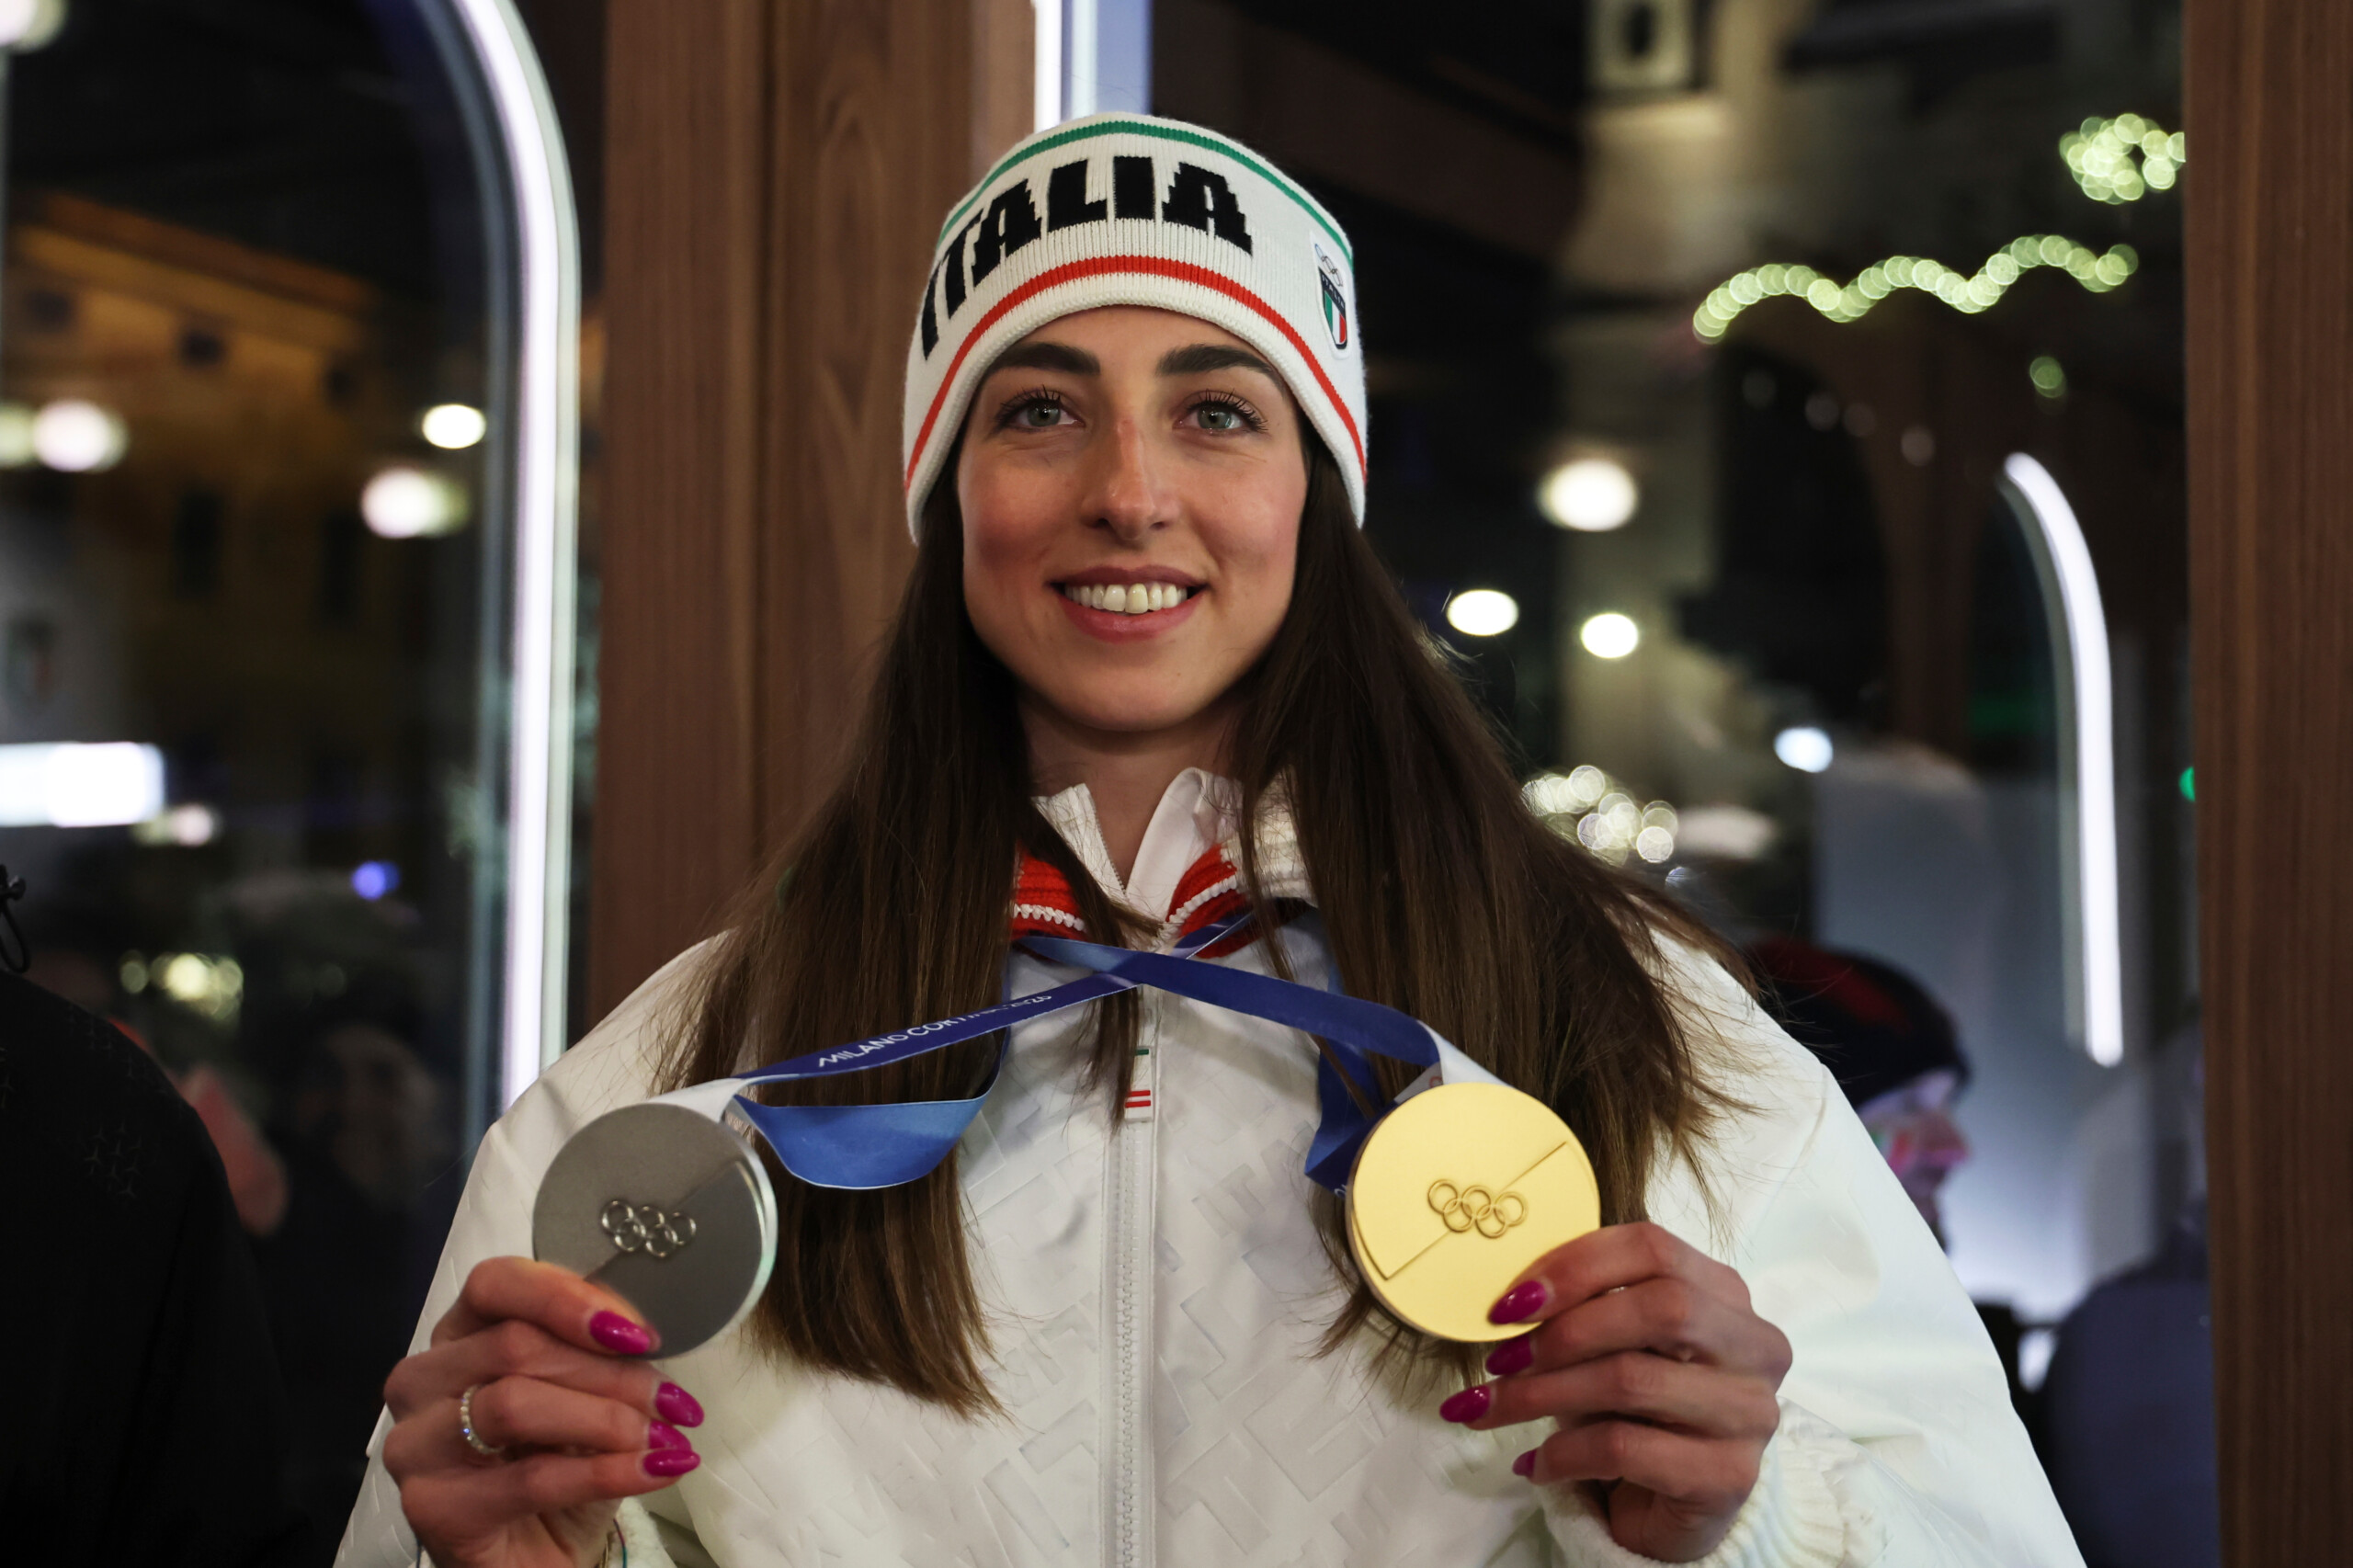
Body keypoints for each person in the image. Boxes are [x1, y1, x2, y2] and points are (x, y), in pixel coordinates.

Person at [337, 114, 2079, 1567]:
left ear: (1315, 495)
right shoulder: (673, 1085)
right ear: (952, 504)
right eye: (1035, 408)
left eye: (1219, 408)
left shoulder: (1644, 1034)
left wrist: (1749, 1518)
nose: (1129, 490)